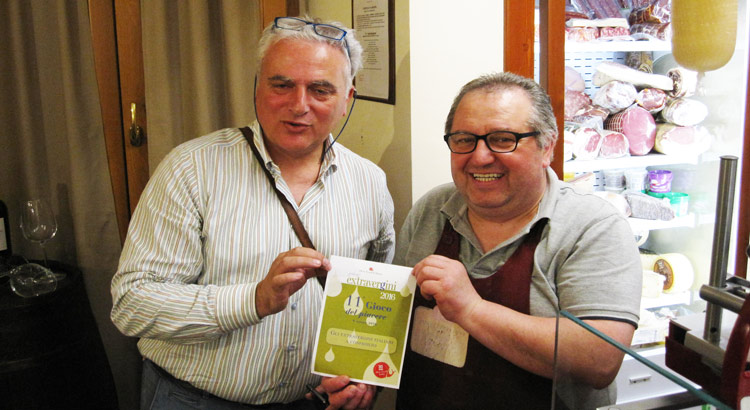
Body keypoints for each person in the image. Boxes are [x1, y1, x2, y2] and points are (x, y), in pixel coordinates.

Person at [111, 15, 393, 410]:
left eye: (320, 90)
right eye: (282, 85)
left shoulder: (370, 183)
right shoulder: (191, 169)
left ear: (347, 100)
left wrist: (362, 374)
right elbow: (132, 305)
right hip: (193, 400)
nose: (299, 105)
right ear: (257, 87)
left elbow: (375, 296)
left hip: (312, 401)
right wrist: (255, 300)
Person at [394, 72, 642, 410]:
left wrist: (471, 308)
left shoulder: (592, 227)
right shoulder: (432, 209)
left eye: (502, 139)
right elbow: (393, 317)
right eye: (464, 139)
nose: (480, 157)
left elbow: (599, 360)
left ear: (547, 147)